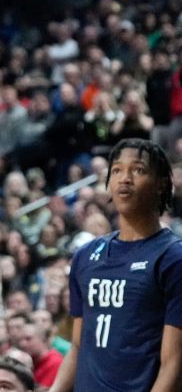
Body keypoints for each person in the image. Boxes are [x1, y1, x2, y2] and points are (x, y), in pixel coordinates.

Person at [51, 138, 182, 392]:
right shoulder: (85, 255)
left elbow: (175, 364)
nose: (125, 178)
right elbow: (78, 347)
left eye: (138, 170)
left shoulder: (173, 258)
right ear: (108, 183)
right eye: (117, 170)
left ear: (162, 183)